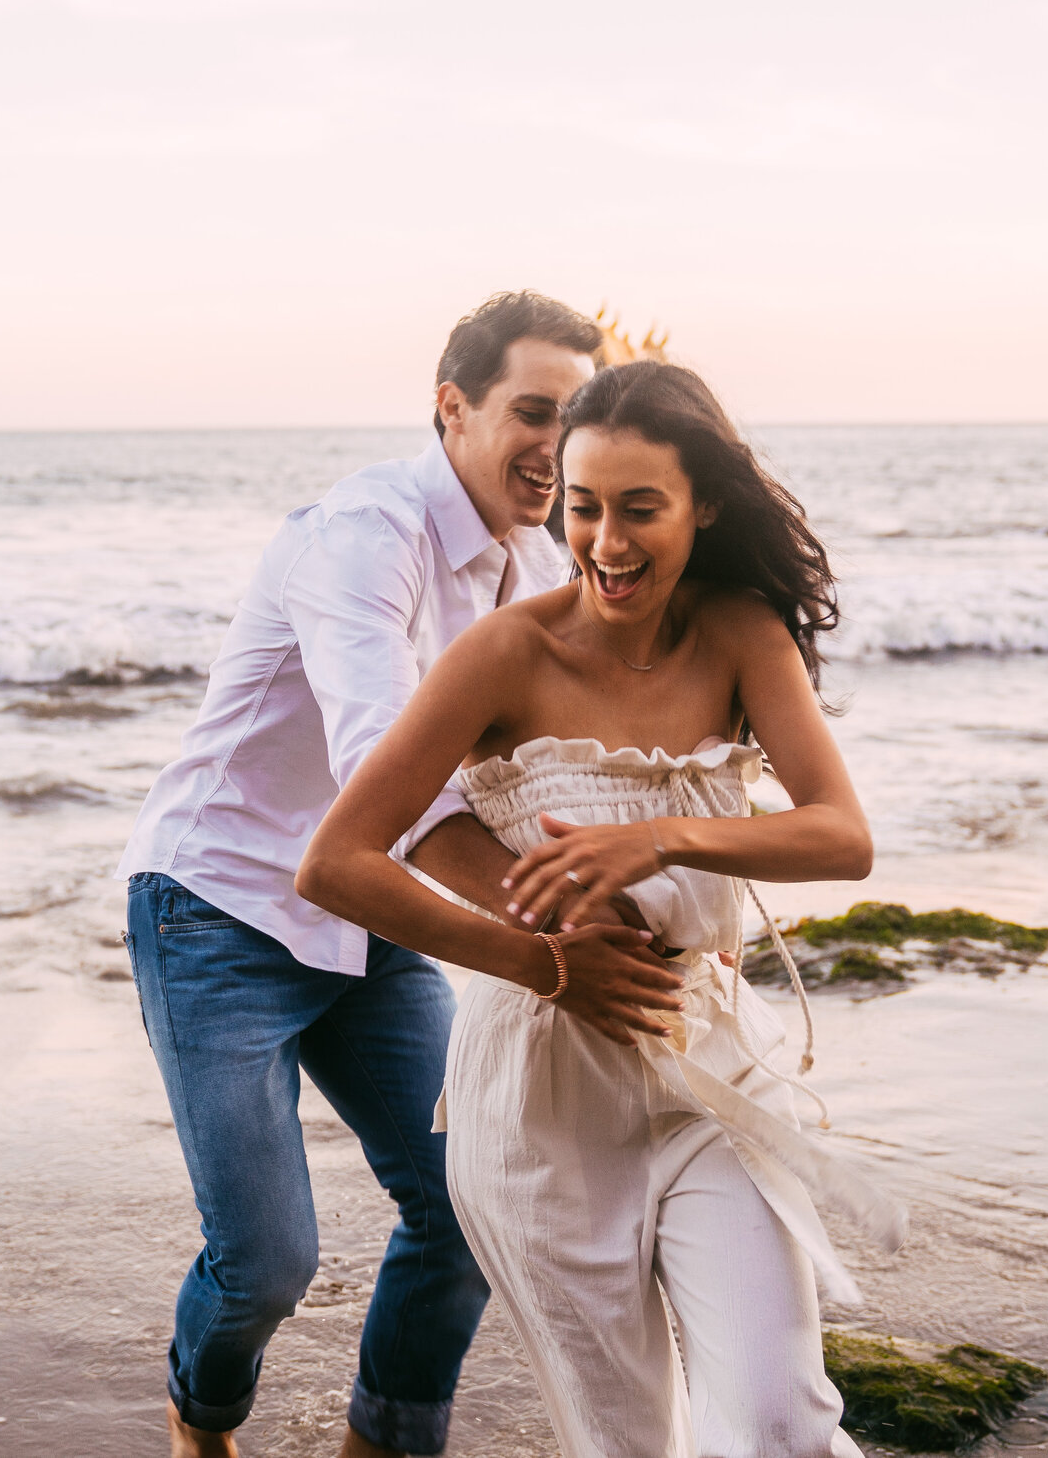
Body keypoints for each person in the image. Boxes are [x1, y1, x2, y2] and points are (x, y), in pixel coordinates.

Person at [299, 360, 907, 1458]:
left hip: (703, 1071)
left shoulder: (739, 632)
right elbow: (338, 861)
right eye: (583, 507)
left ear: (701, 504)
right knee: (627, 1442)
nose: (608, 542)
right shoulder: (504, 653)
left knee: (785, 1421)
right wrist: (541, 964)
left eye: (640, 508)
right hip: (539, 1106)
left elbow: (840, 834)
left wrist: (662, 832)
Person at [120, 292, 689, 1458]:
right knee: (267, 1260)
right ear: (451, 406)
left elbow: (564, 749)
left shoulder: (542, 557)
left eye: (572, 413)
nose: (552, 440)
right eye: (531, 409)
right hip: (217, 908)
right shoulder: (362, 536)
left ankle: (381, 1442)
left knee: (469, 1205)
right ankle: (200, 1411)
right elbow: (390, 786)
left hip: (374, 929)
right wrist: (546, 957)